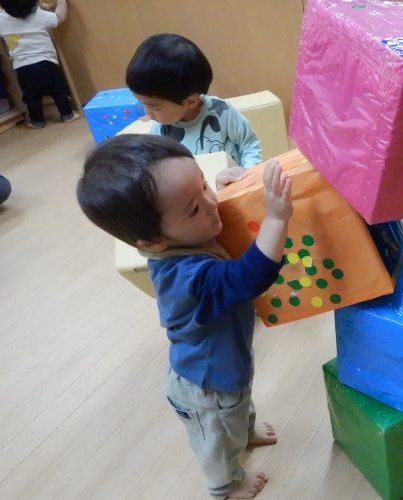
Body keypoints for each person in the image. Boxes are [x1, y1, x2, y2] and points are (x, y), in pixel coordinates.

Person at [76, 134, 292, 498]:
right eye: (194, 207)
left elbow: (202, 209)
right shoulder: (187, 279)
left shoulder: (181, 236)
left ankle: (244, 432)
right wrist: (276, 218)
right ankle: (226, 485)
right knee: (218, 437)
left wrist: (221, 187)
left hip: (226, 364)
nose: (211, 203)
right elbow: (248, 278)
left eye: (204, 185)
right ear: (152, 241)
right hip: (206, 386)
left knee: (239, 403)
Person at [126, 33, 261, 190]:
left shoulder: (222, 112)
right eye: (144, 105)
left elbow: (249, 144)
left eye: (154, 107)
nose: (148, 113)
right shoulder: (160, 129)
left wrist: (247, 174)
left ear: (190, 102)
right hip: (195, 196)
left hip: (231, 188)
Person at [0, 0, 80, 128]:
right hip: (46, 62)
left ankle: (37, 121)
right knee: (58, 91)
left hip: (23, 67)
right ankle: (67, 115)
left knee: (31, 97)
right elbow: (59, 17)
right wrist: (61, 2)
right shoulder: (39, 15)